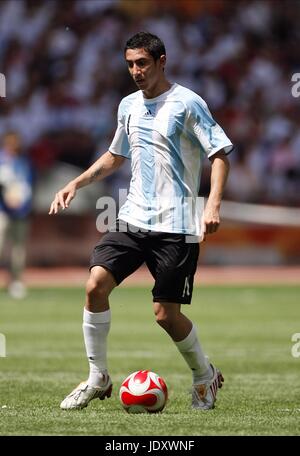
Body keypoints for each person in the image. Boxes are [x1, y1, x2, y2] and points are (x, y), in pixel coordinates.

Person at [49, 32, 232, 411]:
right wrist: (76, 183)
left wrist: (212, 205)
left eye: (142, 63)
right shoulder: (128, 105)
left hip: (177, 225)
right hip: (132, 218)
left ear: (161, 62)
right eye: (130, 63)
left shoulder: (188, 103)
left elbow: (219, 154)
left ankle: (205, 376)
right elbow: (117, 155)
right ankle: (98, 377)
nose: (136, 70)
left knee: (166, 315)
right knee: (95, 286)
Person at [0, 131, 33, 299]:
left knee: (18, 250)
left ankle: (15, 281)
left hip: (21, 212)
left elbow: (27, 186)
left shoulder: (23, 162)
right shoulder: (2, 161)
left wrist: (22, 203)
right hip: (2, 211)